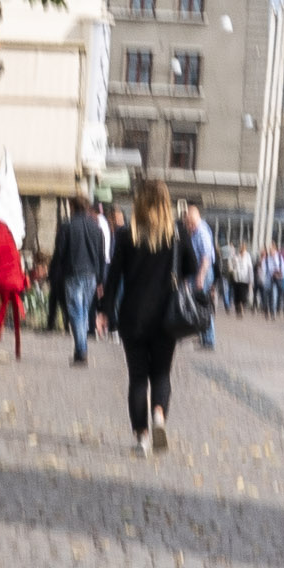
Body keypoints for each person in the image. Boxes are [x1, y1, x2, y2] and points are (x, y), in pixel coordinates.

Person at [102, 173, 201, 452]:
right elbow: (192, 270)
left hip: (133, 316)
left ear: (139, 203)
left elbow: (113, 278)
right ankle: (159, 415)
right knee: (161, 374)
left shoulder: (125, 235)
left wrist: (106, 310)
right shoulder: (177, 234)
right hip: (166, 318)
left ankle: (142, 438)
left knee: (137, 378)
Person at [54, 193, 110, 362]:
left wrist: (56, 272)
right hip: (92, 274)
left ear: (72, 207)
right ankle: (81, 346)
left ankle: (81, 349)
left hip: (73, 272)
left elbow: (60, 252)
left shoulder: (67, 226)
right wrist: (101, 278)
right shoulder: (96, 228)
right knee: (84, 310)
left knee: (76, 311)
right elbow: (101, 255)